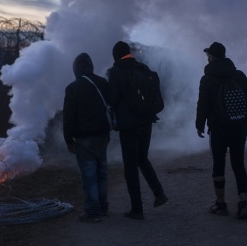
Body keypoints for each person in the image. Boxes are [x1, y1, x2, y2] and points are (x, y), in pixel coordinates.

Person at [108, 41, 168, 220]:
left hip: (129, 124)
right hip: (146, 121)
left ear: (116, 55)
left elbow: (113, 99)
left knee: (130, 167)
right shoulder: (143, 68)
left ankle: (137, 208)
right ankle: (159, 193)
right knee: (142, 158)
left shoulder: (116, 71)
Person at [195, 42, 247, 219]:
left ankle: (221, 204)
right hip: (239, 126)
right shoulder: (239, 75)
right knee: (239, 164)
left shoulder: (207, 79)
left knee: (218, 164)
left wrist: (199, 125)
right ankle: (243, 202)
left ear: (211, 57)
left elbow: (203, 105)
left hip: (218, 128)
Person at [63, 52, 111, 222]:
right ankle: (103, 207)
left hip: (83, 139)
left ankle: (92, 212)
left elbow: (68, 116)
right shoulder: (103, 83)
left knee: (89, 175)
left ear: (76, 69)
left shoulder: (73, 88)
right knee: (102, 173)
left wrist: (68, 139)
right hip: (103, 135)